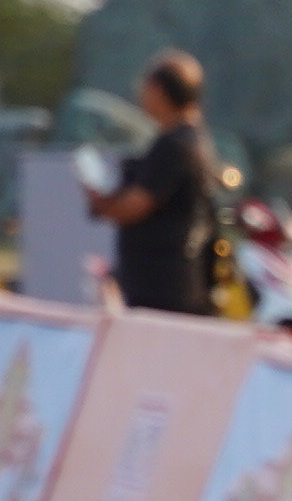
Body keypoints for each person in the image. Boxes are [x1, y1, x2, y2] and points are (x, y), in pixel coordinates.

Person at [87, 49, 221, 316]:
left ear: (158, 90)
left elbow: (135, 207)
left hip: (164, 288)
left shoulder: (175, 146)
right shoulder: (193, 140)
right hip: (175, 283)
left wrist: (98, 198)